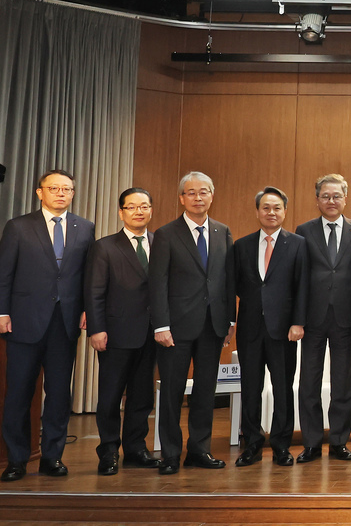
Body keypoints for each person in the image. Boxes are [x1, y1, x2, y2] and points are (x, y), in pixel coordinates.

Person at [0, 170, 95, 482]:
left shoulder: (85, 228)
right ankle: (17, 459)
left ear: (73, 193)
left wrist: (88, 309)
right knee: (19, 393)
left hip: (65, 323)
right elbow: (3, 273)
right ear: (40, 192)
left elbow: (88, 276)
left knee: (59, 395)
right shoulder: (19, 226)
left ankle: (52, 457)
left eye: (67, 189)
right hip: (23, 322)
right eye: (54, 188)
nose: (61, 193)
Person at [150, 171, 234, 475]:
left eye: (203, 192)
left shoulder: (223, 231)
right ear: (181, 198)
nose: (198, 198)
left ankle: (199, 449)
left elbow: (227, 279)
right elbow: (157, 282)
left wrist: (229, 321)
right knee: (172, 392)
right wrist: (161, 325)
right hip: (175, 328)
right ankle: (170, 454)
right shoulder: (166, 234)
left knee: (205, 391)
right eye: (191, 193)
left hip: (212, 326)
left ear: (212, 196)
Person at [84, 187, 161, 475]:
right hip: (115, 333)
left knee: (142, 397)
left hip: (151, 334)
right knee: (110, 396)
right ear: (121, 212)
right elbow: (94, 291)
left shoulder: (160, 243)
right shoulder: (105, 246)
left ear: (151, 210)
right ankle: (108, 452)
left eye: (144, 206)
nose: (139, 211)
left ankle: (136, 449)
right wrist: (97, 329)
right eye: (132, 207)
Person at [230, 187, 308, 467]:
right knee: (250, 388)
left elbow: (302, 286)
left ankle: (281, 446)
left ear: (284, 211)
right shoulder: (242, 245)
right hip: (250, 328)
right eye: (265, 207)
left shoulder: (298, 244)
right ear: (257, 211)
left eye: (277, 208)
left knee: (282, 389)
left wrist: (298, 322)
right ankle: (252, 444)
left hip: (284, 330)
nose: (271, 212)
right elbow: (233, 286)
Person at [294, 174, 351, 463]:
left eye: (336, 196)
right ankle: (312, 443)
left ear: (345, 199)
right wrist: (298, 319)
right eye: (325, 196)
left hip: (345, 318)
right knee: (309, 383)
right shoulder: (304, 230)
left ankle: (339, 441)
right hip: (313, 318)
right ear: (317, 200)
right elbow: (300, 278)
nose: (331, 201)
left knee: (343, 383)